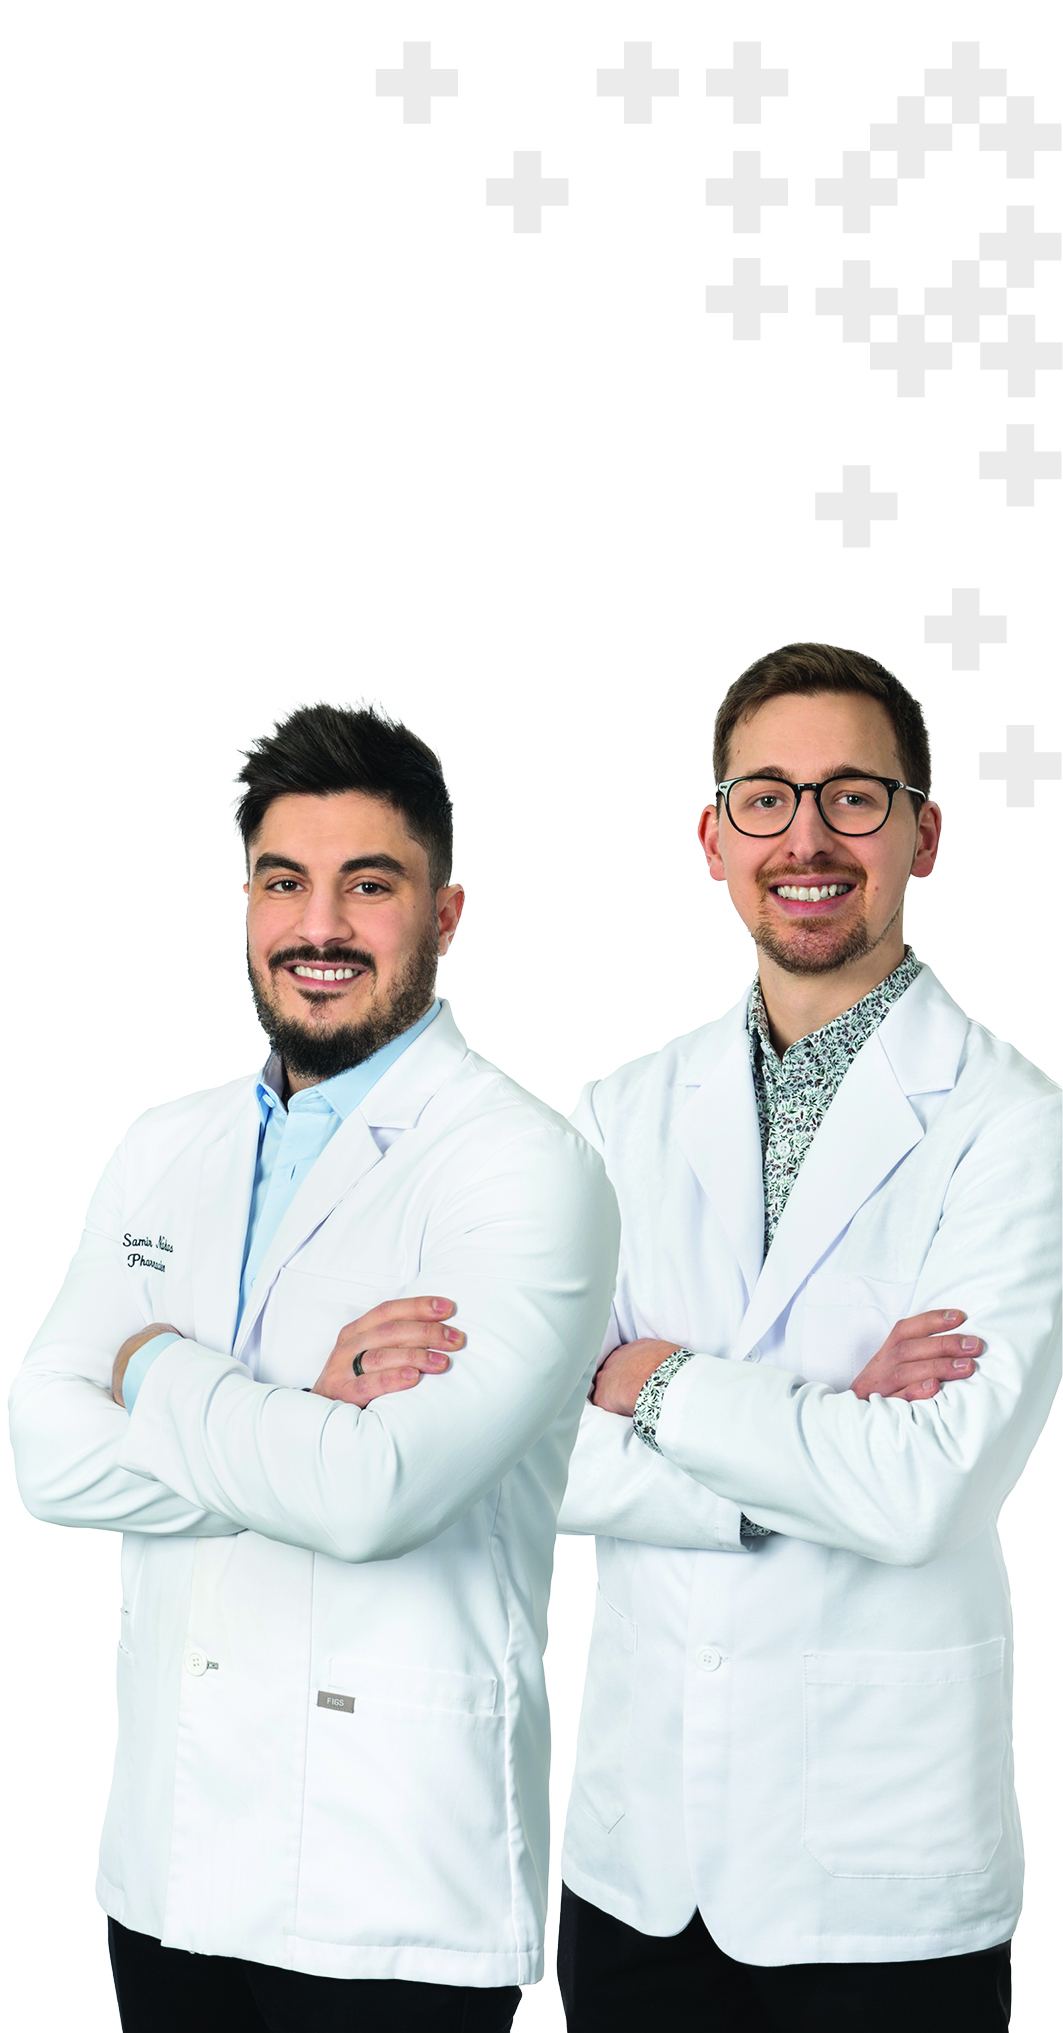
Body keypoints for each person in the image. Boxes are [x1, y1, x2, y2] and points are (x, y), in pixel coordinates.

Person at [9, 703, 619, 2033]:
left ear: (446, 914)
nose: (319, 926)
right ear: (245, 903)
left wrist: (153, 1368)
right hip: (166, 1865)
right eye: (282, 882)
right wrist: (300, 1413)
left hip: (390, 1878)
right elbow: (43, 1456)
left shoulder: (524, 1169)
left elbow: (370, 1496)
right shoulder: (162, 1144)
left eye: (369, 885)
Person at [555, 643, 1060, 2033]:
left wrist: (652, 1380)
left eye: (854, 796)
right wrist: (822, 1422)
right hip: (639, 1869)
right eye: (766, 798)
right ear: (713, 840)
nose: (808, 839)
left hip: (878, 1878)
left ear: (922, 834)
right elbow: (532, 1454)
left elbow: (919, 1491)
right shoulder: (621, 1112)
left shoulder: (1013, 1128)